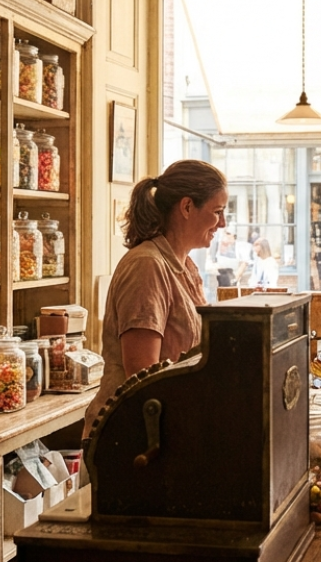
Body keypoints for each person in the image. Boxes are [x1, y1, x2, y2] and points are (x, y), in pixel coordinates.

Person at [83, 160, 228, 433]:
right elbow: (143, 380)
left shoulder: (184, 265)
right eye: (217, 211)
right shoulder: (147, 266)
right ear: (186, 207)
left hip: (166, 426)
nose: (222, 223)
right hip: (133, 436)